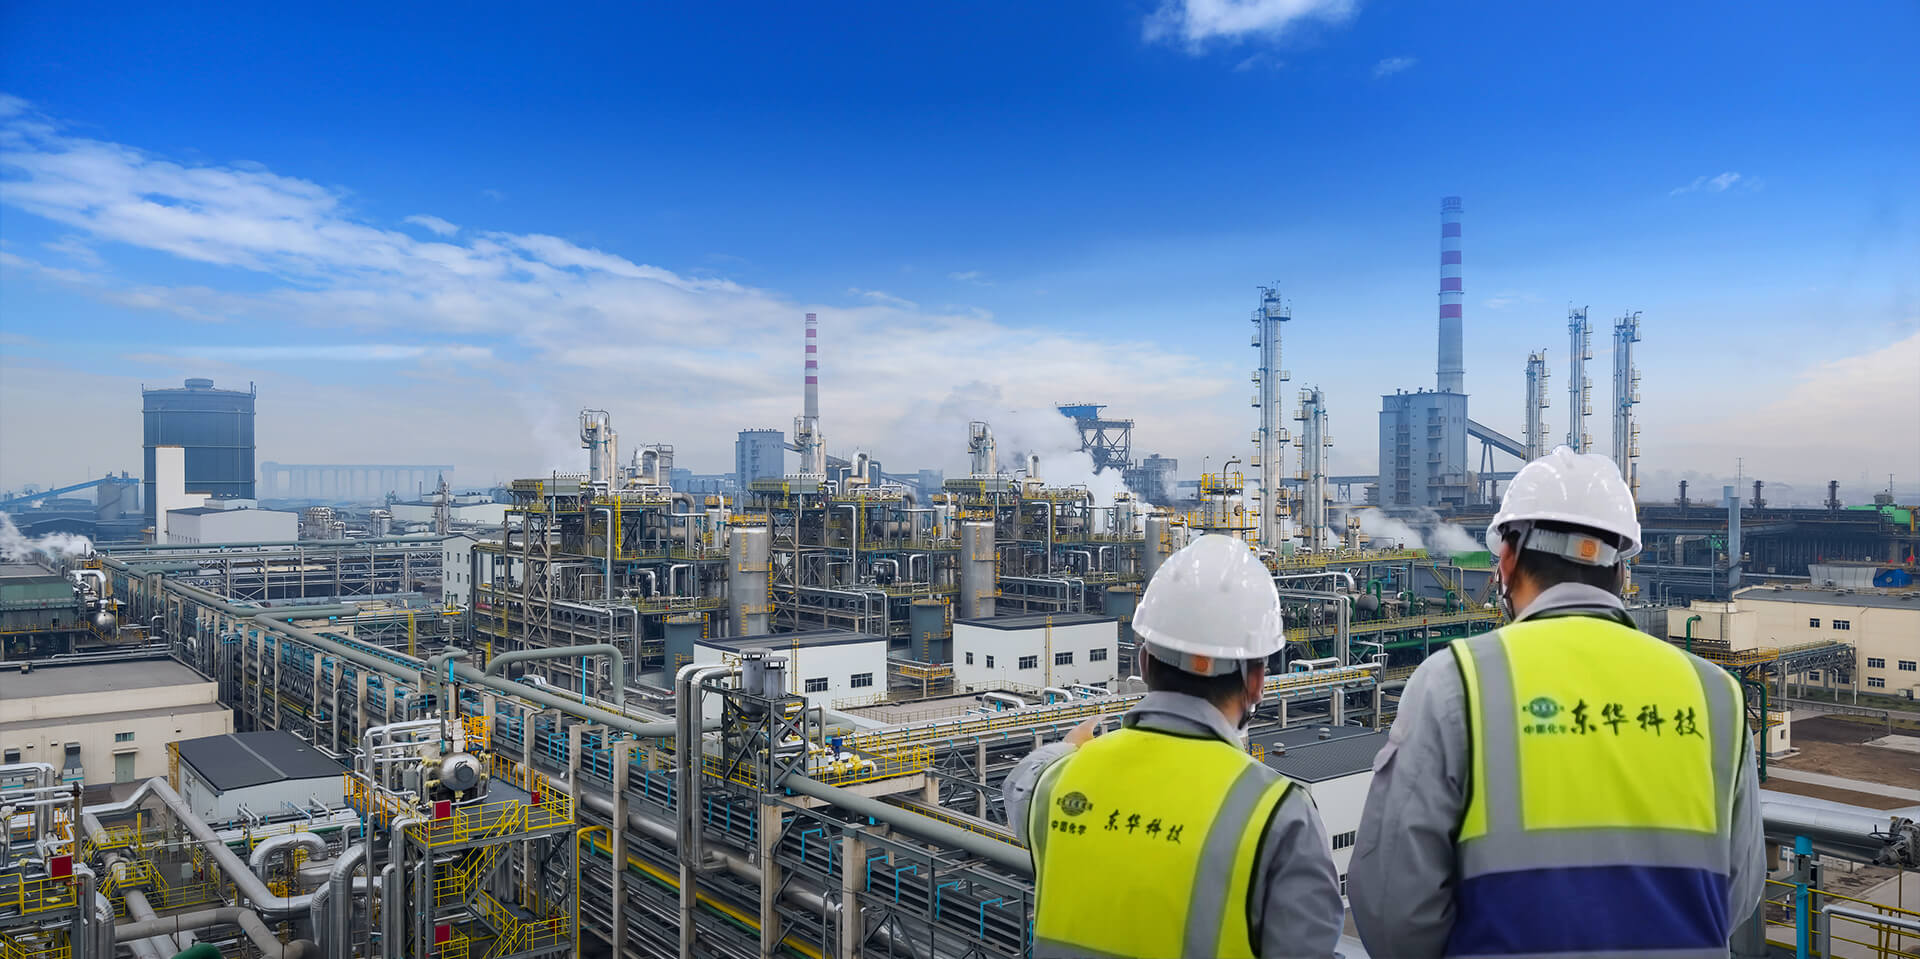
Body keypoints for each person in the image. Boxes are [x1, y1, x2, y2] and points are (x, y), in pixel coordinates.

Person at [1349, 446, 1765, 958]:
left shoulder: (1456, 683)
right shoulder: (1716, 695)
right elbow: (1737, 896)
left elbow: (1392, 913)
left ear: (1506, 560)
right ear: (1622, 570)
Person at [1004, 533, 1344, 959]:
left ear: (1144, 663)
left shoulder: (1057, 784)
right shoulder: (1279, 814)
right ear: (1257, 681)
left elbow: (1019, 783)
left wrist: (1070, 750)